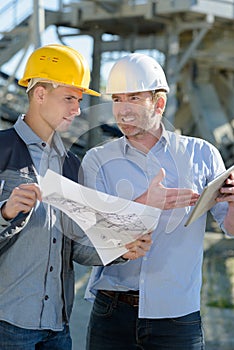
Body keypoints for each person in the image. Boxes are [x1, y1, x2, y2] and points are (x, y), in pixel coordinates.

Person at [0, 44, 152, 350]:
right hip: (9, 325)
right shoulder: (2, 150)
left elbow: (77, 248)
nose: (77, 110)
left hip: (58, 329)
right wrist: (5, 212)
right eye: (69, 98)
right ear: (40, 93)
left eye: (80, 100)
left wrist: (121, 247)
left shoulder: (71, 165)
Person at [81, 53, 234, 350]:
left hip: (177, 317)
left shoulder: (202, 155)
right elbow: (90, 240)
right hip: (112, 313)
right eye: (117, 99)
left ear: (159, 103)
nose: (122, 111)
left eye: (134, 98)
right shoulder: (96, 160)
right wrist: (144, 204)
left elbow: (230, 228)